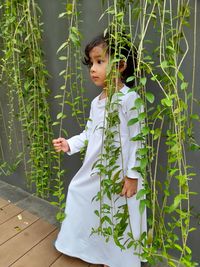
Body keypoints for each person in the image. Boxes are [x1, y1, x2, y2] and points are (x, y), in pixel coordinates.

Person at [53, 32, 147, 267]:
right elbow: (90, 132)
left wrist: (132, 176)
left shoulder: (129, 99)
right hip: (97, 169)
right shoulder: (97, 103)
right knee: (84, 196)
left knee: (120, 213)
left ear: (121, 65)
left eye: (100, 61)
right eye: (91, 63)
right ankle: (97, 251)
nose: (93, 68)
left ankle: (119, 259)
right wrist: (70, 144)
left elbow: (138, 140)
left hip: (122, 172)